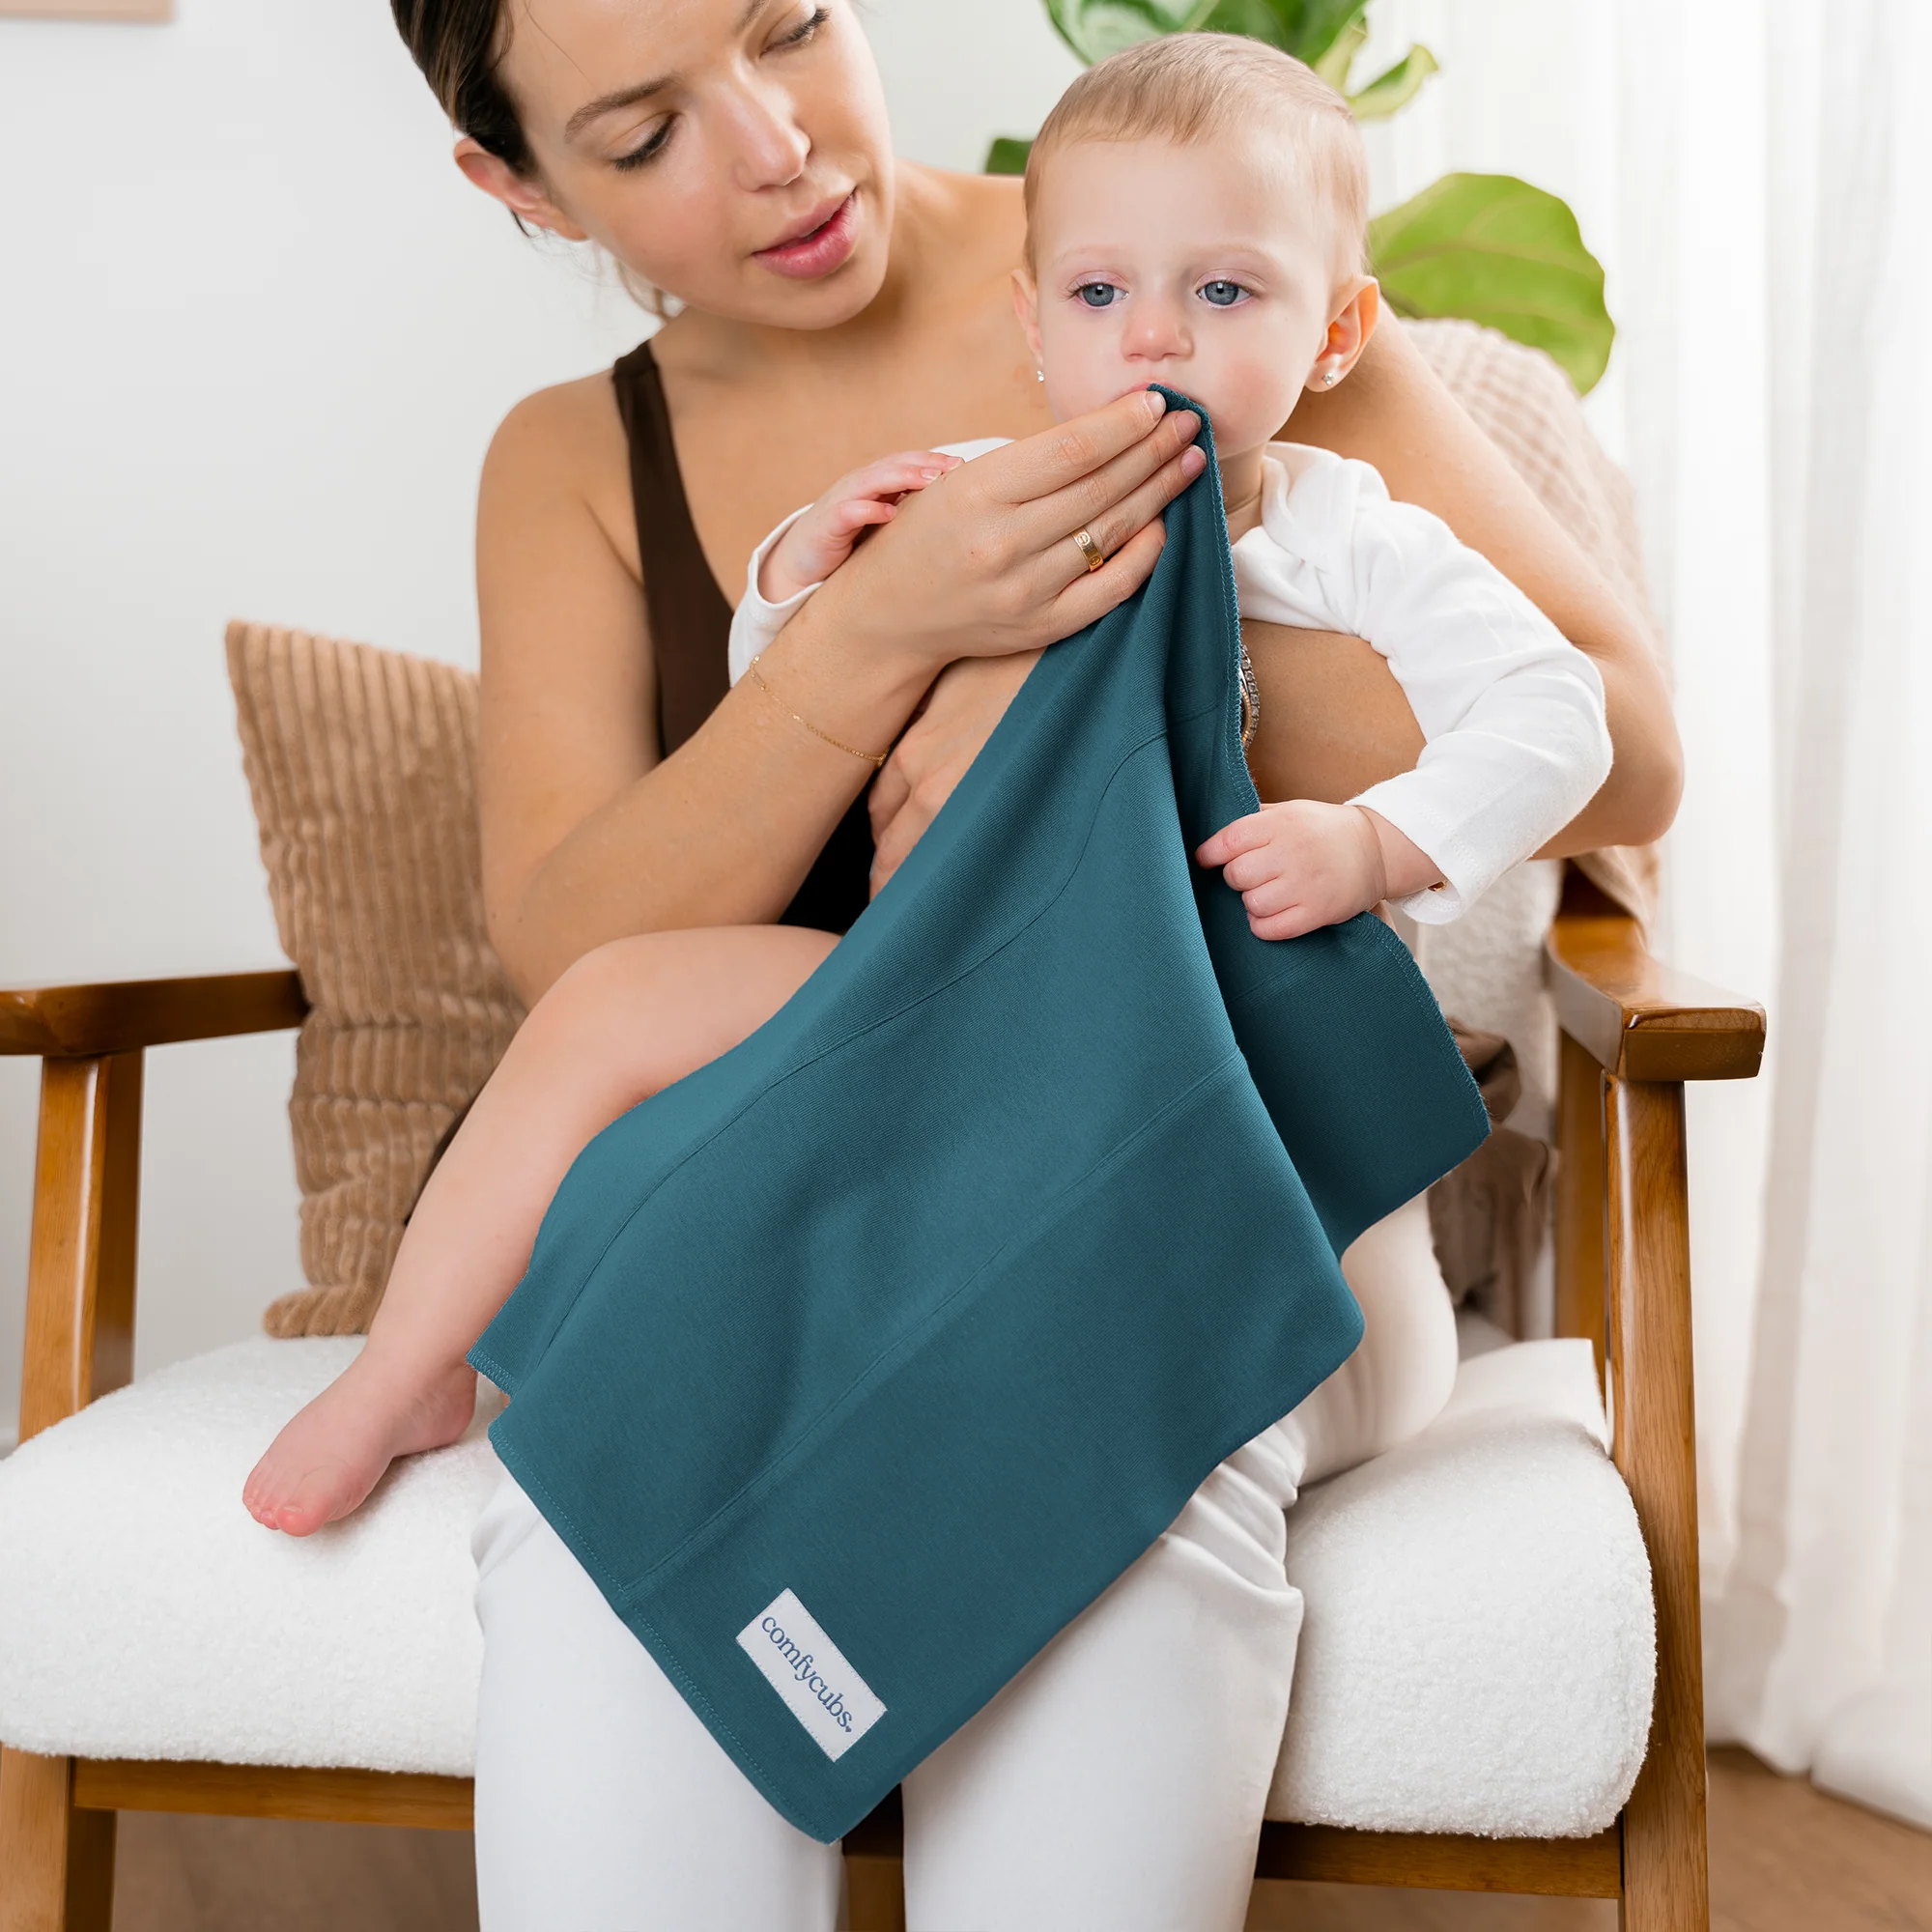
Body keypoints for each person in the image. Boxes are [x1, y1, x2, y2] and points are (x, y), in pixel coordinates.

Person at [259, 3, 1682, 1925]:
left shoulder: (1205, 232)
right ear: (518, 183)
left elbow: (1611, 739)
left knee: (1097, 1441)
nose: (773, 142)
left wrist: (1084, 679)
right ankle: (425, 1384)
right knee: (622, 1472)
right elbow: (586, 952)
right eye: (645, 129)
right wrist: (878, 636)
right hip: (839, 1147)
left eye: (787, 24)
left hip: (1208, 1129)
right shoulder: (605, 460)